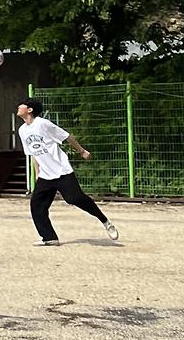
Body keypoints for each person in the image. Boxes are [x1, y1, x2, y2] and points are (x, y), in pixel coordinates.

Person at [17, 98, 119, 246]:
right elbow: (33, 154)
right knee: (37, 205)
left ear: (30, 110)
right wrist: (38, 173)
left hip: (61, 170)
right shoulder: (22, 130)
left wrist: (82, 151)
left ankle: (105, 221)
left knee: (74, 198)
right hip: (46, 175)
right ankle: (49, 238)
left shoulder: (42, 124)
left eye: (22, 105)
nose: (19, 107)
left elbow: (66, 136)